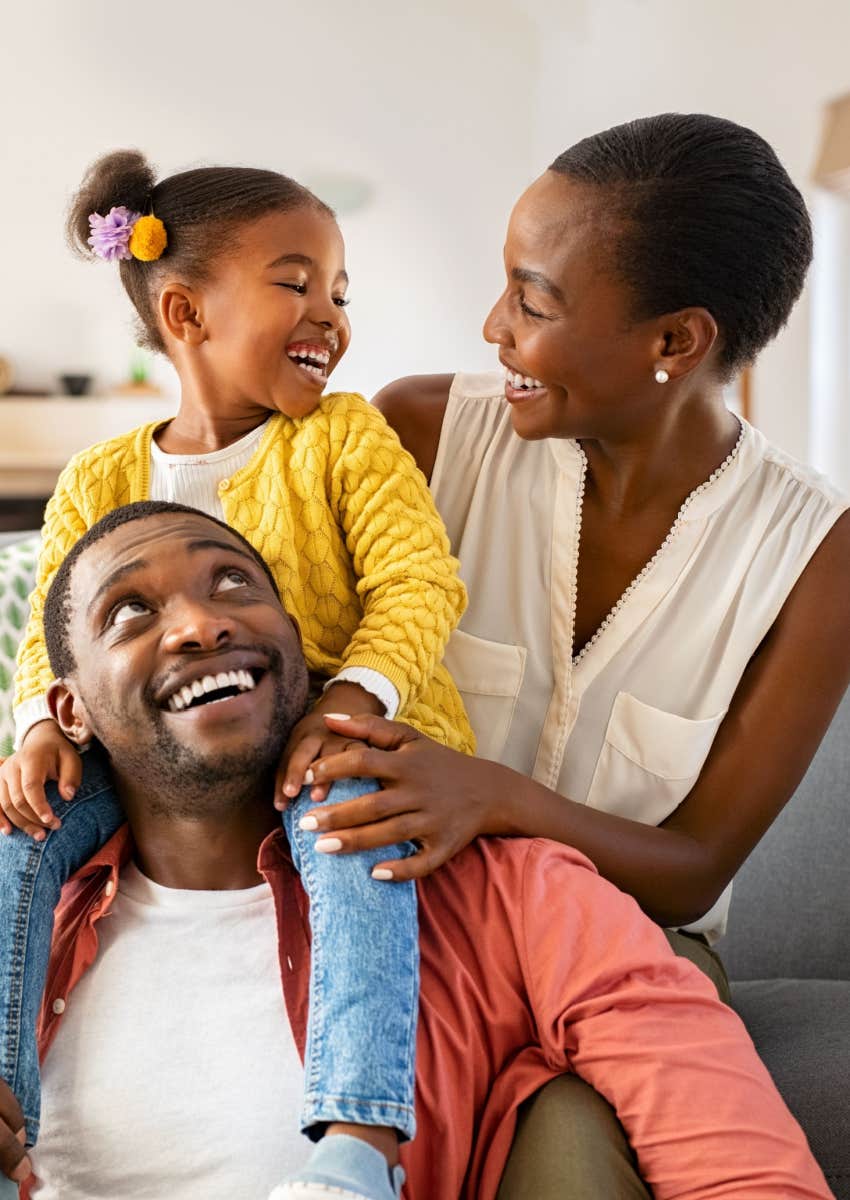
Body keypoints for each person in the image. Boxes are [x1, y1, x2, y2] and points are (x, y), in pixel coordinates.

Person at [284, 114, 850, 1194]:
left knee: (572, 1157)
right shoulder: (417, 438)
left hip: (634, 961)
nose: (492, 325)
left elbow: (694, 868)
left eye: (533, 301)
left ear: (673, 342)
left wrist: (492, 796)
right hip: (400, 926)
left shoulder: (815, 557)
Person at [0, 502, 834, 1200]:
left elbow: (739, 1164)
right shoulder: (22, 913)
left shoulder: (515, 898)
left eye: (232, 583)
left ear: (297, 644)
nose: (200, 623)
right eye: (131, 612)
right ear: (68, 712)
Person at [0, 151, 474, 1200]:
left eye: (341, 291)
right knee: (17, 843)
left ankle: (355, 1145)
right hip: (156, 766)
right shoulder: (99, 475)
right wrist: (39, 722)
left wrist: (353, 699)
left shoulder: (345, 438)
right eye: (296, 283)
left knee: (351, 827)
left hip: (337, 737)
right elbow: (55, 629)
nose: (331, 314)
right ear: (185, 310)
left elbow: (418, 582)